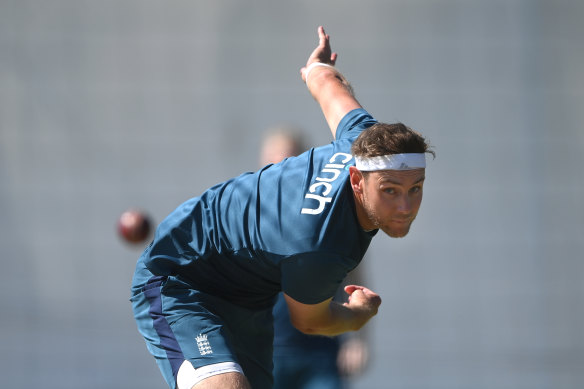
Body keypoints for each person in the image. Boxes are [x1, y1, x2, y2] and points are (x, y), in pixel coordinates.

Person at [131, 26, 433, 389]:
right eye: (390, 190)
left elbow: (328, 85)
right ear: (357, 180)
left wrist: (316, 67)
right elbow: (312, 321)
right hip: (181, 276)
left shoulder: (361, 139)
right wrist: (355, 318)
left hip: (248, 298)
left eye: (415, 188)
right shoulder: (319, 246)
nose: (405, 206)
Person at [259, 129, 369, 389]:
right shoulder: (251, 215)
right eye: (275, 161)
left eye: (289, 159)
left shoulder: (329, 213)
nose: (282, 168)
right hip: (265, 353)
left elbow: (355, 277)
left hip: (321, 350)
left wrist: (358, 340)